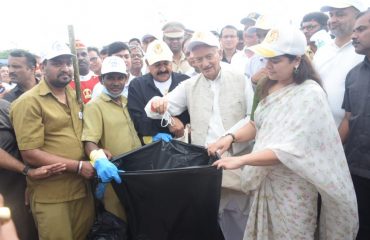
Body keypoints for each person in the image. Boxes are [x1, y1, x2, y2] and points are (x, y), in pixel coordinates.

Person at [208, 26, 358, 240]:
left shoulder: (310, 94)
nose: (267, 66)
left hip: (293, 186)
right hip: (265, 179)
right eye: (265, 58)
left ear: (296, 60)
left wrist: (241, 160)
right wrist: (229, 138)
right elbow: (256, 123)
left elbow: (291, 151)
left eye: (275, 60)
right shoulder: (267, 86)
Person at [145, 31, 254, 240]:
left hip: (238, 161)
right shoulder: (190, 85)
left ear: (219, 52)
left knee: (242, 217)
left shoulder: (241, 78)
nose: (204, 64)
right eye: (198, 59)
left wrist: (230, 136)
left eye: (209, 57)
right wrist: (156, 103)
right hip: (207, 164)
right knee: (213, 218)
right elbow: (156, 108)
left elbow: (252, 118)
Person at [10, 41, 95, 239]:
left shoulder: (74, 95)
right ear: (42, 66)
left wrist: (97, 151)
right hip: (53, 196)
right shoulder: (28, 102)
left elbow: (81, 135)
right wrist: (78, 166)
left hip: (81, 190)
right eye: (58, 63)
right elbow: (30, 153)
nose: (65, 68)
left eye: (68, 63)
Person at [82, 56, 141, 220]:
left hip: (136, 171)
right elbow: (89, 142)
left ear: (126, 78)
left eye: (120, 77)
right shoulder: (94, 106)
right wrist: (99, 159)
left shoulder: (128, 101)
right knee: (118, 219)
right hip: (114, 174)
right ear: (102, 80)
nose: (116, 83)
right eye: (110, 78)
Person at [0, 98, 66, 240]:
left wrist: (29, 178)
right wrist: (27, 171)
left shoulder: (5, 107)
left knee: (24, 231)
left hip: (15, 188)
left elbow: (25, 143)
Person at [339, 9, 370, 240]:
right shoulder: (353, 75)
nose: (354, 35)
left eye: (361, 29)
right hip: (356, 170)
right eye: (354, 30)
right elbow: (349, 120)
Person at [313, 0, 367, 127]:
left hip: (355, 133)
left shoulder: (364, 52)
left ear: (358, 16)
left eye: (340, 14)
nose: (333, 20)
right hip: (318, 130)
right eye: (331, 15)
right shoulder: (322, 51)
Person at [128, 40, 190, 145]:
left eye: (166, 63)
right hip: (154, 148)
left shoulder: (185, 81)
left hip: (185, 143)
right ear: (147, 63)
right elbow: (138, 121)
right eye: (157, 65)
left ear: (171, 60)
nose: (162, 69)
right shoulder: (137, 85)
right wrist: (168, 122)